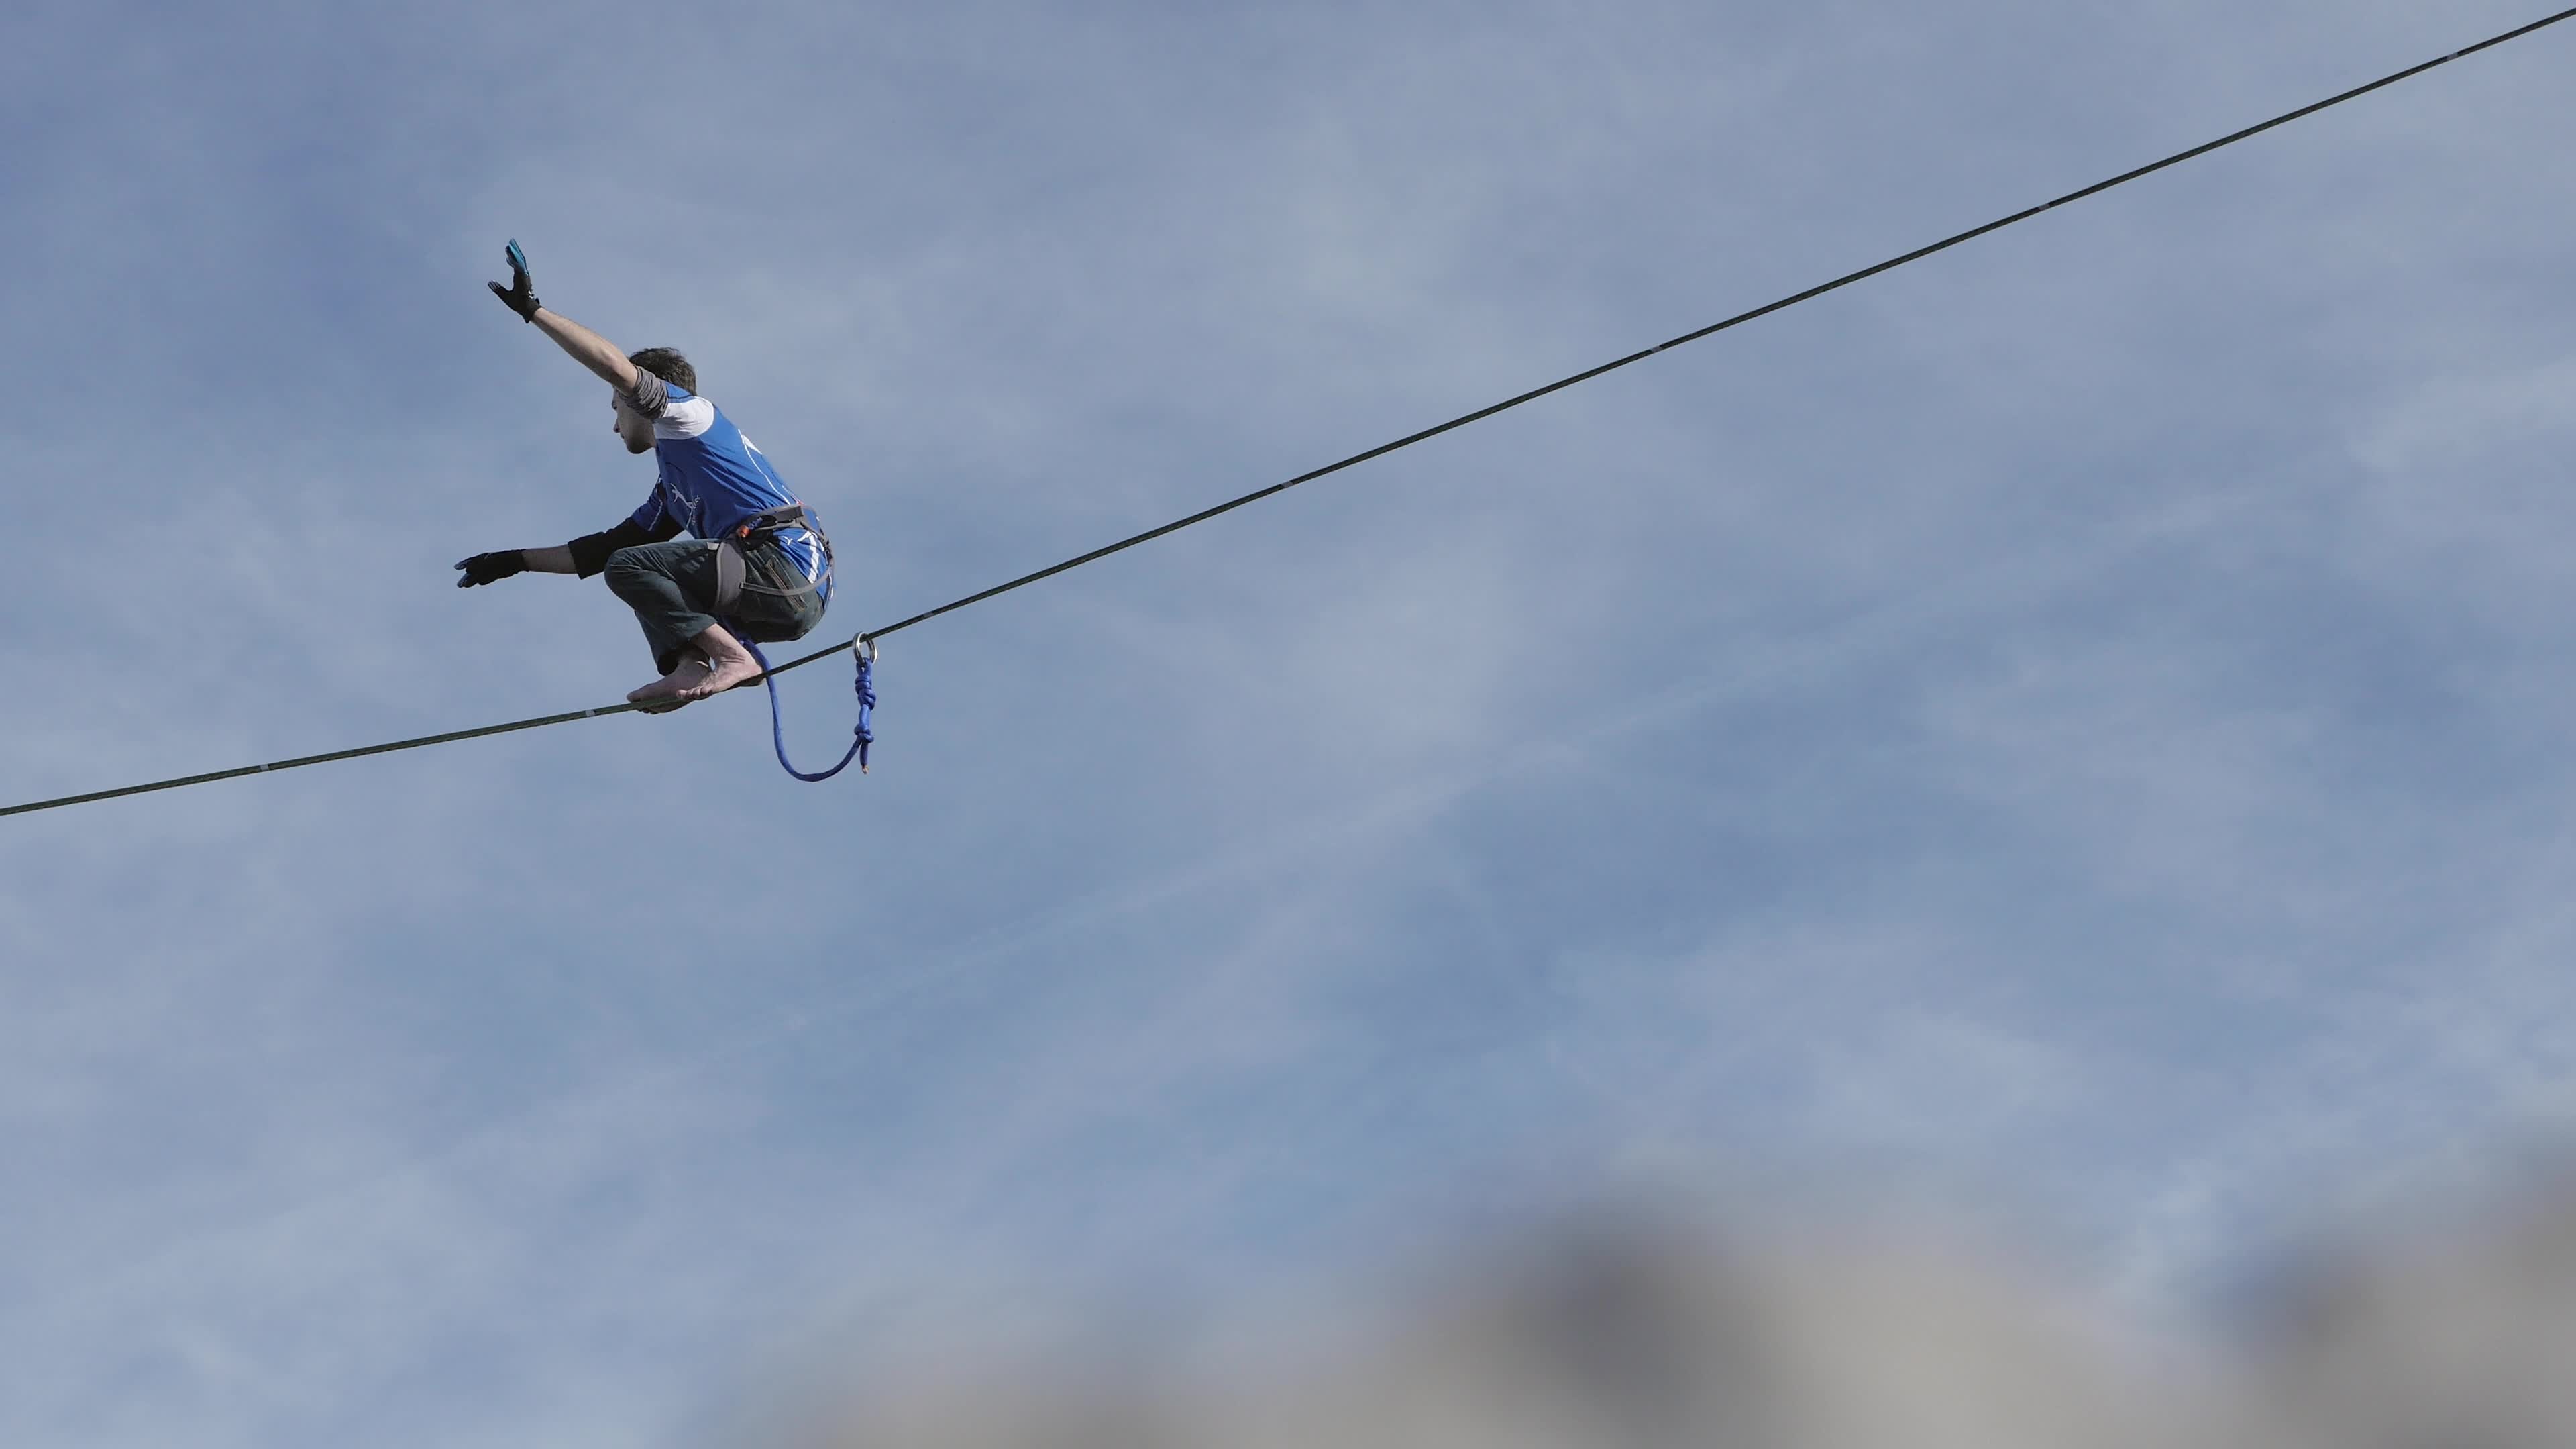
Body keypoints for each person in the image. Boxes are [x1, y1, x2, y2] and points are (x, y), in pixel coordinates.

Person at [454, 241, 834, 713]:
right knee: (633, 562)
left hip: (781, 568)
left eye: (617, 407)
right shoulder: (672, 490)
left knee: (634, 566)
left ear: (632, 397)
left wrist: (533, 311)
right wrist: (513, 561)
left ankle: (732, 658)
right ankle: (695, 663)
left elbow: (615, 367)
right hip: (784, 597)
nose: (616, 426)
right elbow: (600, 552)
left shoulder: (691, 417)